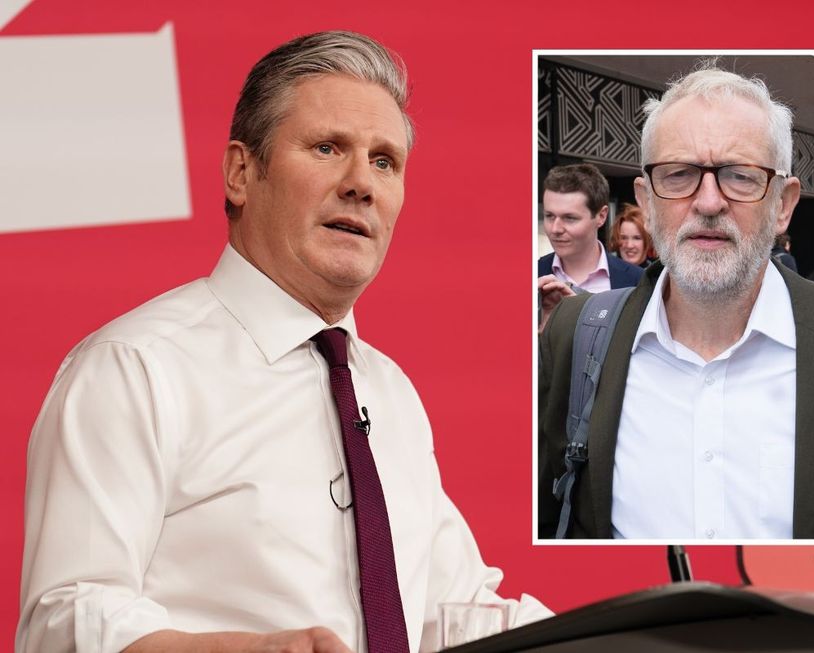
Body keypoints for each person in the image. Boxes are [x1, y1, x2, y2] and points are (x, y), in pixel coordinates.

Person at [19, 31, 548, 653]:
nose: (362, 184)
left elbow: (448, 613)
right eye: (327, 148)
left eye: (385, 161)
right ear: (242, 172)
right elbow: (63, 623)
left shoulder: (389, 391)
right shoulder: (134, 369)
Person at [539, 66, 814, 540]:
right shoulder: (575, 334)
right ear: (646, 202)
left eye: (740, 176)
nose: (709, 202)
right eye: (678, 175)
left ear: (783, 204)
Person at [537, 163, 643, 293]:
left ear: (601, 216)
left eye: (569, 218)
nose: (555, 229)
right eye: (549, 216)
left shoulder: (638, 280)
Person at [608, 203, 656, 268]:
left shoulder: (659, 275)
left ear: (648, 241)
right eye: (624, 238)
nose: (629, 245)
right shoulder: (608, 271)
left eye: (637, 238)